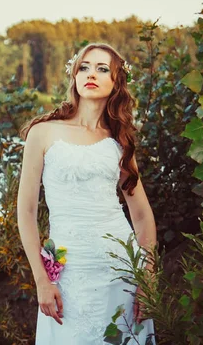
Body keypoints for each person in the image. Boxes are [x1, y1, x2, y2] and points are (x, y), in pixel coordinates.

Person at [16, 43, 157, 344]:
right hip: (67, 271)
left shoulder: (118, 141)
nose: (91, 73)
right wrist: (41, 278)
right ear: (75, 75)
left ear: (116, 82)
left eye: (102, 68)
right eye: (84, 66)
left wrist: (148, 276)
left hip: (121, 268)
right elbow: (26, 212)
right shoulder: (43, 132)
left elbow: (142, 214)